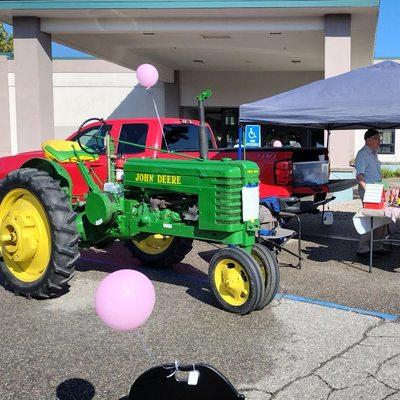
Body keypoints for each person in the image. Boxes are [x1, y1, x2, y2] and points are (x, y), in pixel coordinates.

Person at [354, 128, 389, 257]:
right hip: (369, 191)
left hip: (377, 190)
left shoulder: (373, 152)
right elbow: (359, 176)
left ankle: (377, 245)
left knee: (382, 217)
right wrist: (369, 191)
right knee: (370, 219)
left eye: (379, 139)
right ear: (368, 140)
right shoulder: (362, 154)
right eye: (376, 139)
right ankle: (362, 248)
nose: (379, 141)